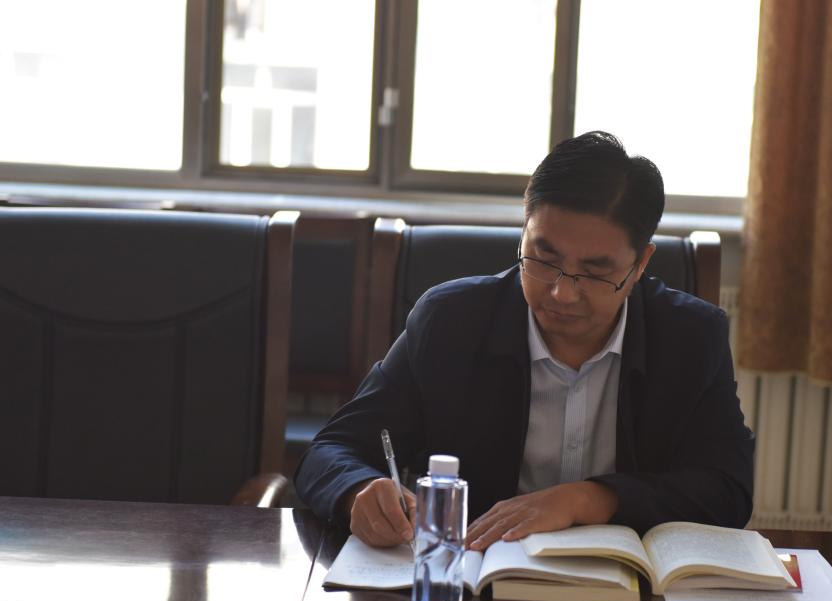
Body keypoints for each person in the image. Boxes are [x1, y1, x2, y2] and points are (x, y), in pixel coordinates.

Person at [294, 131, 754, 550]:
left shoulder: (691, 337)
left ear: (639, 265)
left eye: (595, 271)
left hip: (629, 598)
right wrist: (359, 490)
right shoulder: (452, 322)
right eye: (543, 258)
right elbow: (330, 452)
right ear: (524, 229)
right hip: (476, 586)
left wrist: (589, 499)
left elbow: (728, 491)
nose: (562, 293)